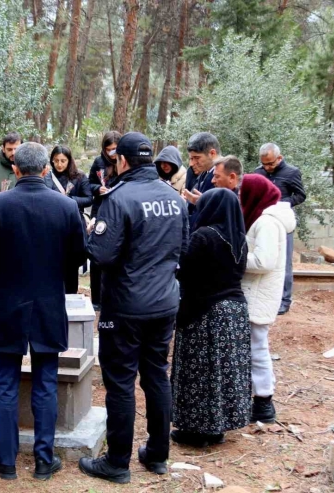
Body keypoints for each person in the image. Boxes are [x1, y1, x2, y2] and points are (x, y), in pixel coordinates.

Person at [0, 142, 86, 482]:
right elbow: (79, 256)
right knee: (46, 381)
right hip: (49, 301)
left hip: (9, 300)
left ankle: (7, 460)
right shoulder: (66, 206)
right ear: (46, 170)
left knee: (6, 381)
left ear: (16, 170)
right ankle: (42, 460)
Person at [80, 132, 187, 484]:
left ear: (121, 161)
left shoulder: (118, 198)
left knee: (121, 382)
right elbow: (182, 248)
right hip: (165, 302)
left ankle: (117, 462)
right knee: (156, 373)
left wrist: (90, 232)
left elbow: (101, 254)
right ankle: (157, 454)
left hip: (125, 306)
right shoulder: (175, 199)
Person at [172, 188, 250, 447]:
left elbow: (183, 270)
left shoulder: (204, 236)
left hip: (206, 311)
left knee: (199, 372)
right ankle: (216, 427)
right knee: (221, 373)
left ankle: (195, 431)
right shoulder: (240, 238)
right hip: (235, 312)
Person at [240, 174, 296, 424]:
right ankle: (256, 398)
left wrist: (235, 257)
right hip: (255, 293)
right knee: (253, 347)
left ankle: (264, 402)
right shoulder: (264, 218)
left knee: (257, 349)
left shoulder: (268, 223)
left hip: (258, 294)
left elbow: (264, 261)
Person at [253, 143, 306, 315]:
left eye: (270, 164)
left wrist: (282, 203)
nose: (267, 168)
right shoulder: (258, 172)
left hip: (283, 221)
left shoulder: (292, 172)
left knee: (285, 263)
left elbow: (300, 195)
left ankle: (284, 300)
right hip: (262, 222)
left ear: (279, 158)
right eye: (264, 164)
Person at [45, 145, 93, 294]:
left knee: (71, 262)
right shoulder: (47, 177)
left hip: (73, 222)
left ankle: (71, 293)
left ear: (69, 160)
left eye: (63, 161)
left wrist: (69, 200)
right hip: (52, 224)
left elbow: (88, 198)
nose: (59, 164)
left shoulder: (79, 176)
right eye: (56, 161)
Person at [88, 130, 122, 311]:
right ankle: (96, 298)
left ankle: (112, 297)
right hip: (100, 209)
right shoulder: (99, 162)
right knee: (97, 254)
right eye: (108, 149)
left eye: (115, 149)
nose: (112, 153)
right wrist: (97, 189)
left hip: (119, 211)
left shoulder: (125, 160)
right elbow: (90, 183)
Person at [181, 132, 221, 219]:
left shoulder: (225, 175)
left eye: (197, 158)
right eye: (191, 158)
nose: (191, 164)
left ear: (212, 154)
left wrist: (203, 202)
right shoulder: (204, 172)